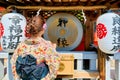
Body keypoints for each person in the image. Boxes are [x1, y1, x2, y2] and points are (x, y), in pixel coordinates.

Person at [11, 15, 60, 80]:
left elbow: (13, 62)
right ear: (43, 29)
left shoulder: (21, 45)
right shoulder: (47, 46)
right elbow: (54, 66)